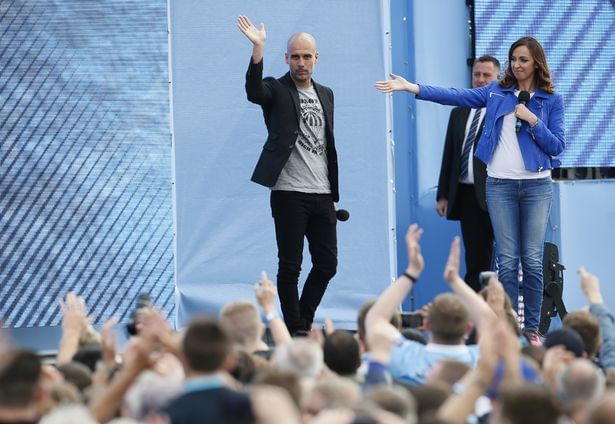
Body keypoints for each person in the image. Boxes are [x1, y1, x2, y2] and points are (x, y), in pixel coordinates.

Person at [376, 36, 566, 346]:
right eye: (513, 59)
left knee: (531, 260)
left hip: (536, 187)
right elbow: (457, 96)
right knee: (506, 261)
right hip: (499, 186)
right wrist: (413, 88)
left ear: (536, 64)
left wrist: (532, 120)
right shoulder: (497, 93)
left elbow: (557, 146)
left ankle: (532, 329)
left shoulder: (550, 101)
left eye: (523, 60)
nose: (516, 65)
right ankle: (508, 329)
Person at [237, 15, 339, 336]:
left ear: (316, 58)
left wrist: (334, 196)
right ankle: (295, 330)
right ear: (287, 58)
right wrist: (258, 49)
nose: (301, 62)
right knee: (290, 266)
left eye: (307, 56)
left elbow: (326, 145)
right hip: (289, 193)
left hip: (322, 194)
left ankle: (303, 321)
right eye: (295, 56)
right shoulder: (276, 89)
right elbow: (255, 91)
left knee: (327, 264)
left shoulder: (326, 93)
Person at [436, 55, 500, 292]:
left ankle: (503, 312)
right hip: (467, 197)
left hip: (495, 195)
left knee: (503, 259)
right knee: (475, 260)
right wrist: (443, 194)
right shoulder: (459, 111)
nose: (480, 80)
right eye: (477, 74)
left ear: (498, 78)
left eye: (486, 75)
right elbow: (450, 155)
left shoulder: (501, 111)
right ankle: (476, 314)